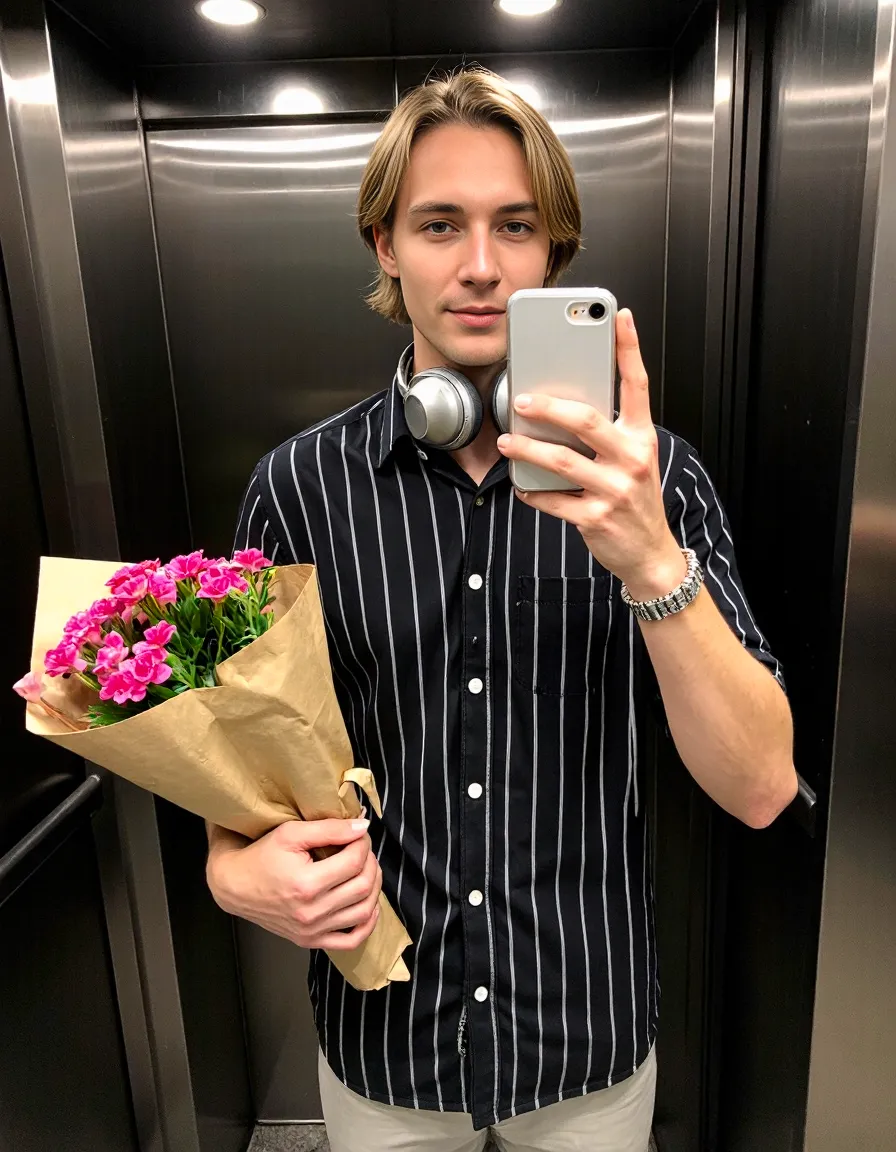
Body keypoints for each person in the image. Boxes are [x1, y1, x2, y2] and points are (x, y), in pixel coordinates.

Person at [206, 68, 797, 1151]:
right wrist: (230, 869)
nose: (479, 265)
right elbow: (241, 760)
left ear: (552, 252)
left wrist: (649, 563)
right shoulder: (296, 488)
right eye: (439, 224)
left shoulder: (654, 482)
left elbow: (760, 788)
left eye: (515, 226)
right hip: (386, 1034)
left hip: (586, 1041)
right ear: (385, 244)